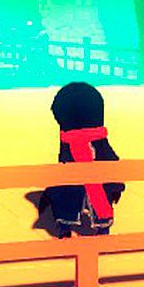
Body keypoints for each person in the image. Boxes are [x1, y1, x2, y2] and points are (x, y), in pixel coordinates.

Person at [38, 82, 125, 237]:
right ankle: (98, 225)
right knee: (83, 191)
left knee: (68, 194)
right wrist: (117, 185)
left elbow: (61, 172)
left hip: (72, 187)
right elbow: (111, 161)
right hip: (92, 182)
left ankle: (66, 224)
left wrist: (51, 191)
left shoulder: (69, 141)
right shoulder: (96, 141)